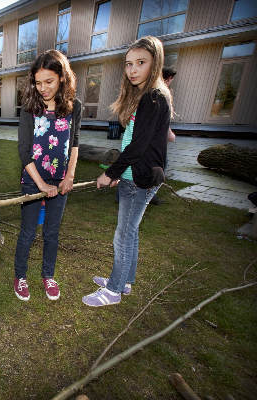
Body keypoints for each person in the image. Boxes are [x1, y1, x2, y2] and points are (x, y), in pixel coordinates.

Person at [82, 36, 172, 307]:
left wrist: (111, 172)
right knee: (130, 232)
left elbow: (138, 146)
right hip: (134, 176)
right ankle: (125, 280)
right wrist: (121, 173)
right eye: (129, 64)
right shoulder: (146, 95)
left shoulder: (154, 97)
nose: (132, 70)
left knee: (122, 234)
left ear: (154, 63)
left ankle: (113, 291)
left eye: (140, 63)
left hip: (139, 179)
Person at [13, 50, 81, 301]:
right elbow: (24, 150)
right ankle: (20, 276)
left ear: (62, 77)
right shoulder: (30, 108)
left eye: (49, 81)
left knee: (52, 232)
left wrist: (69, 176)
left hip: (60, 180)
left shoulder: (74, 107)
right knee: (28, 232)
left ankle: (48, 275)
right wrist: (40, 184)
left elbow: (74, 143)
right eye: (38, 82)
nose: (43, 88)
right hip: (33, 179)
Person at [149, 66, 177, 205]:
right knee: (160, 167)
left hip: (152, 141)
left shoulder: (155, 94)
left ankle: (147, 194)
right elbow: (161, 122)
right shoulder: (160, 95)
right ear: (169, 78)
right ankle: (149, 195)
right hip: (155, 143)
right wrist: (170, 134)